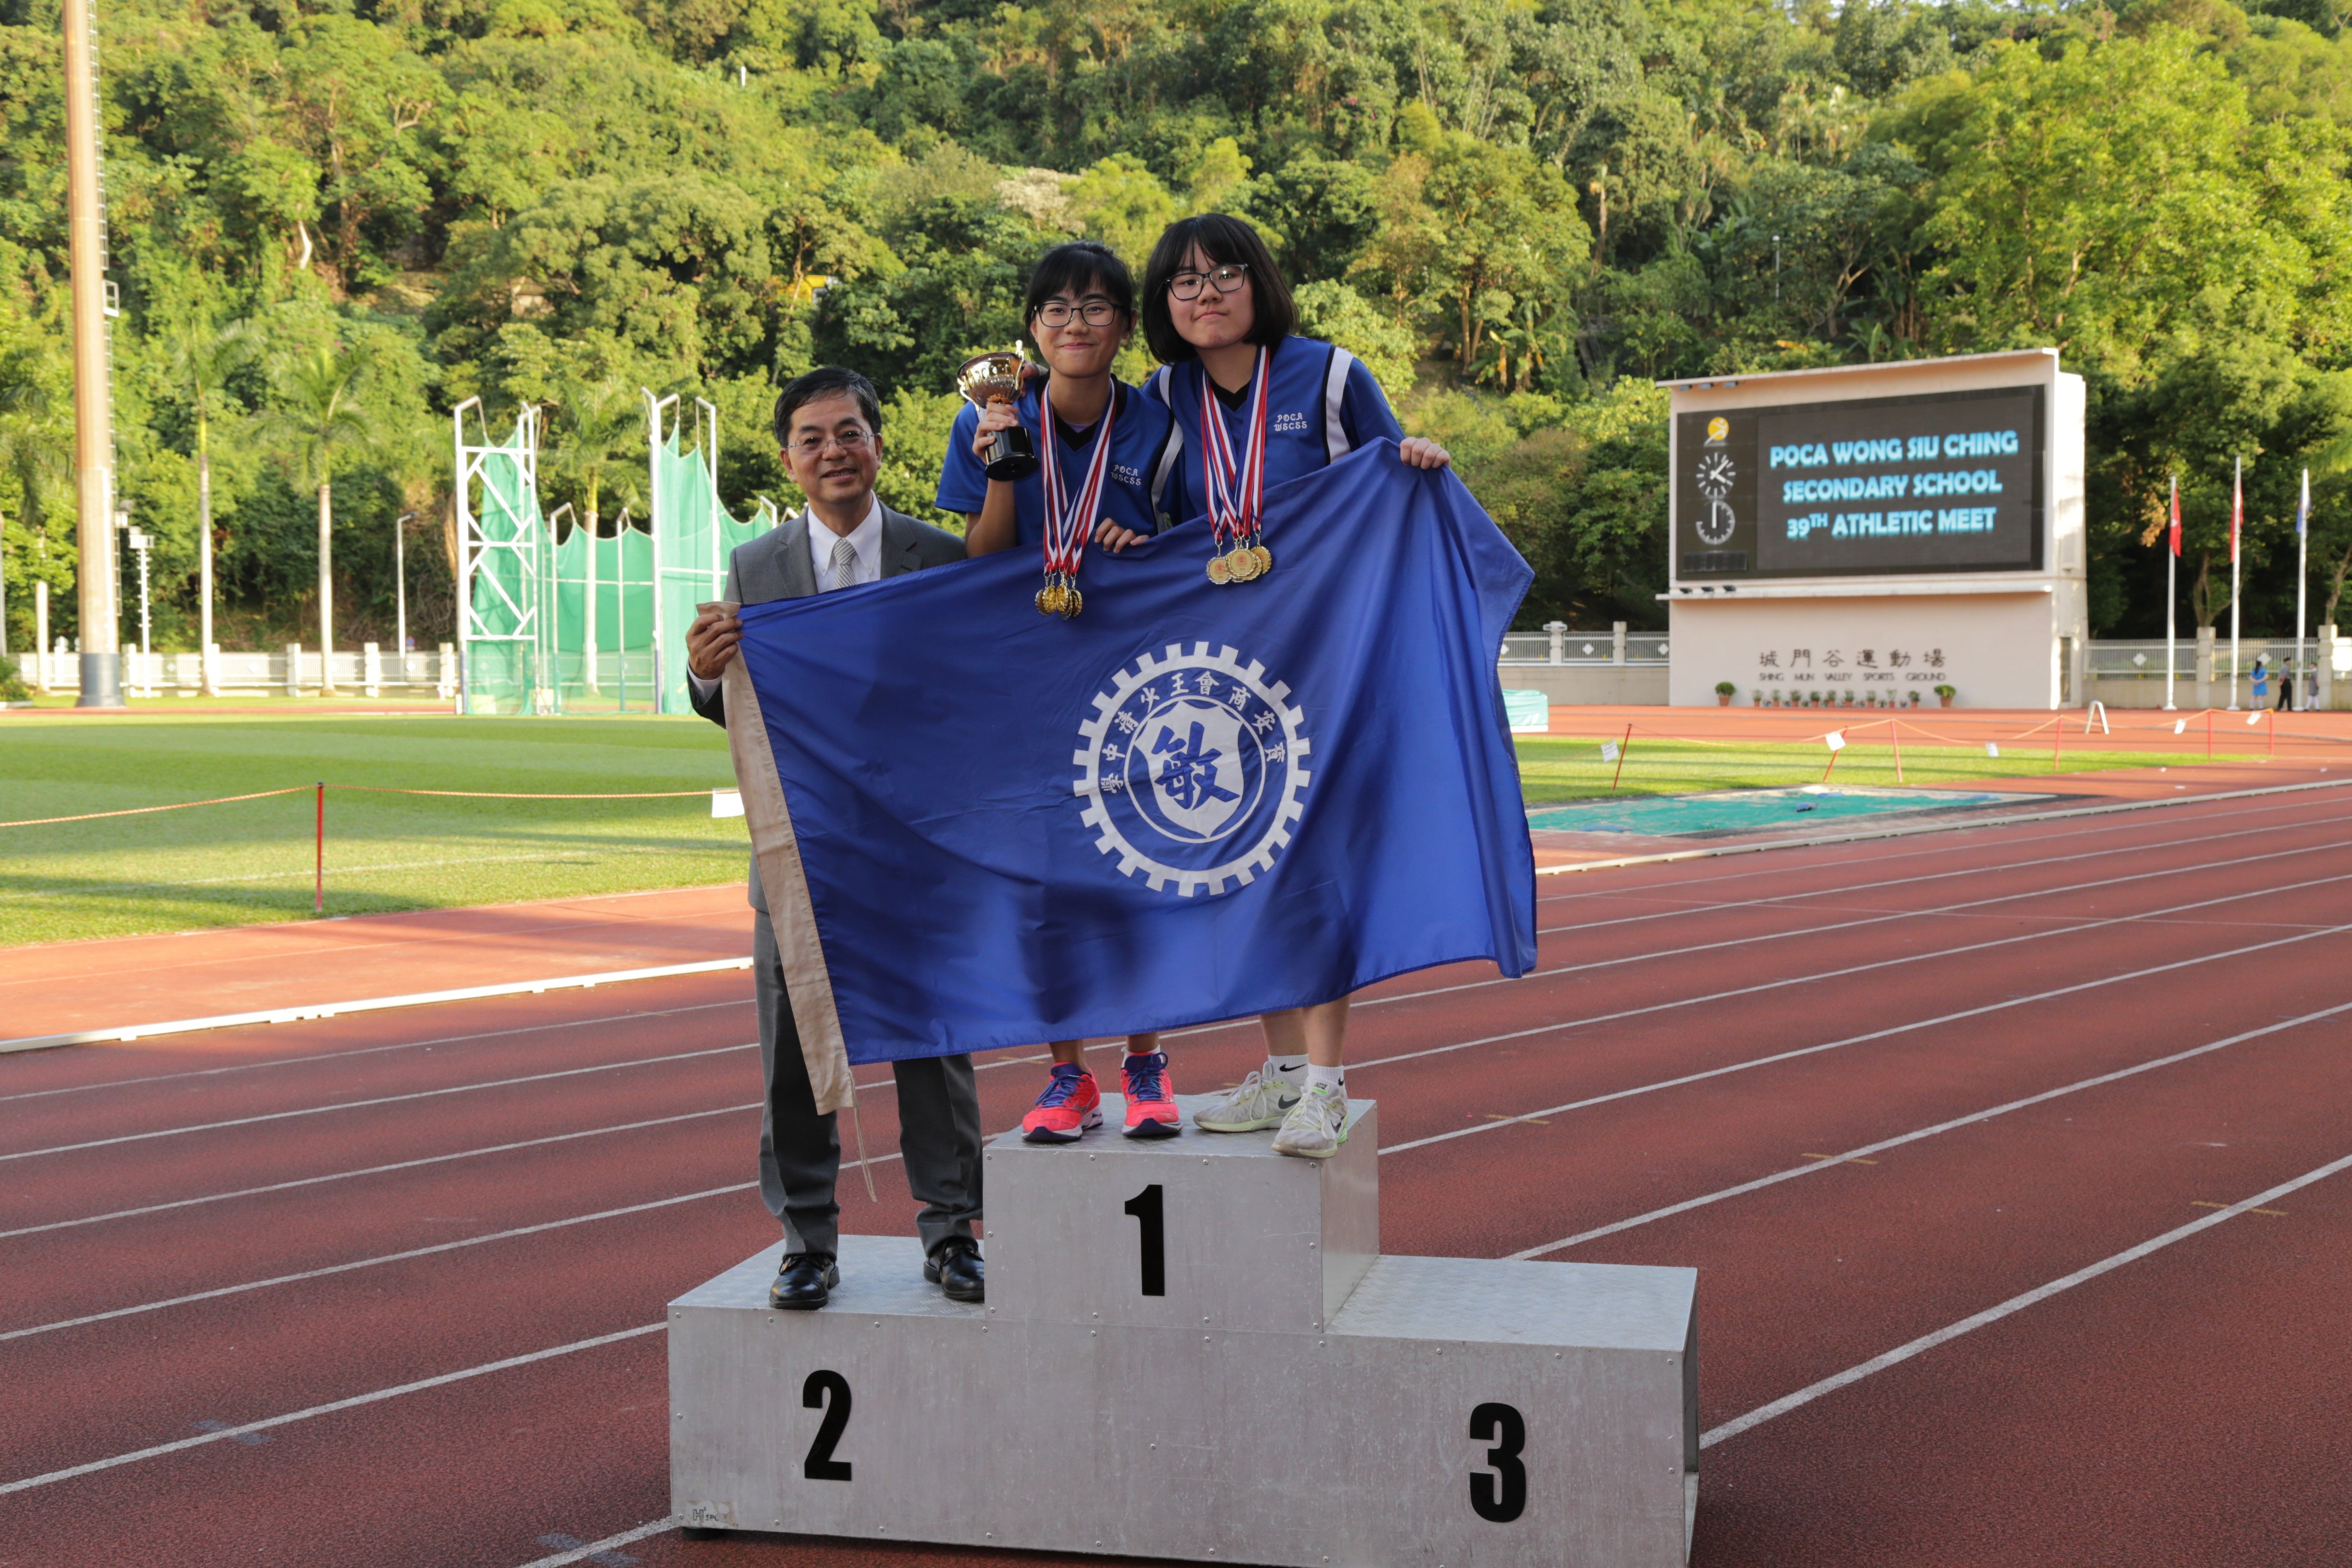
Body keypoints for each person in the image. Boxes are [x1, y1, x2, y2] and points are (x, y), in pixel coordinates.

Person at [1134, 212, 1451, 1163]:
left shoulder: (1333, 376)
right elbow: (1152, 525)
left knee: (1315, 869)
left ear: (1259, 281)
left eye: (1225, 274)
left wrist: (1419, 462)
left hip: (1326, 664)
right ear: (1165, 302)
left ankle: (1324, 1083)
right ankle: (1278, 1072)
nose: (1206, 295)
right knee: (1247, 865)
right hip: (1224, 674)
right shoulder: (1163, 396)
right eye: (1185, 282)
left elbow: (1392, 493)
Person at [686, 366, 985, 1312]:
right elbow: (735, 701)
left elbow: (969, 694)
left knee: (934, 1045)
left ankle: (952, 1231)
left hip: (915, 854)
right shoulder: (756, 566)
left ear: (879, 445)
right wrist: (704, 675)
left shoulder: (940, 556)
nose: (833, 452)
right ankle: (806, 1241)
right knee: (792, 1054)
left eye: (849, 433)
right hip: (802, 856)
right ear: (789, 461)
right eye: (811, 439)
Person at [938, 240, 1186, 1145]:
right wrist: (1002, 463)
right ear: (1033, 330)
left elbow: (1193, 545)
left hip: (1132, 674)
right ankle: (1068, 1075)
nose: (1075, 324)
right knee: (1047, 881)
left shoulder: (1161, 423)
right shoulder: (986, 415)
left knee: (1136, 867)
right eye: (1056, 309)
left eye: (1094, 307)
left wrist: (1141, 547)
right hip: (1028, 675)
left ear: (1123, 326)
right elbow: (981, 557)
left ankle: (1146, 1063)